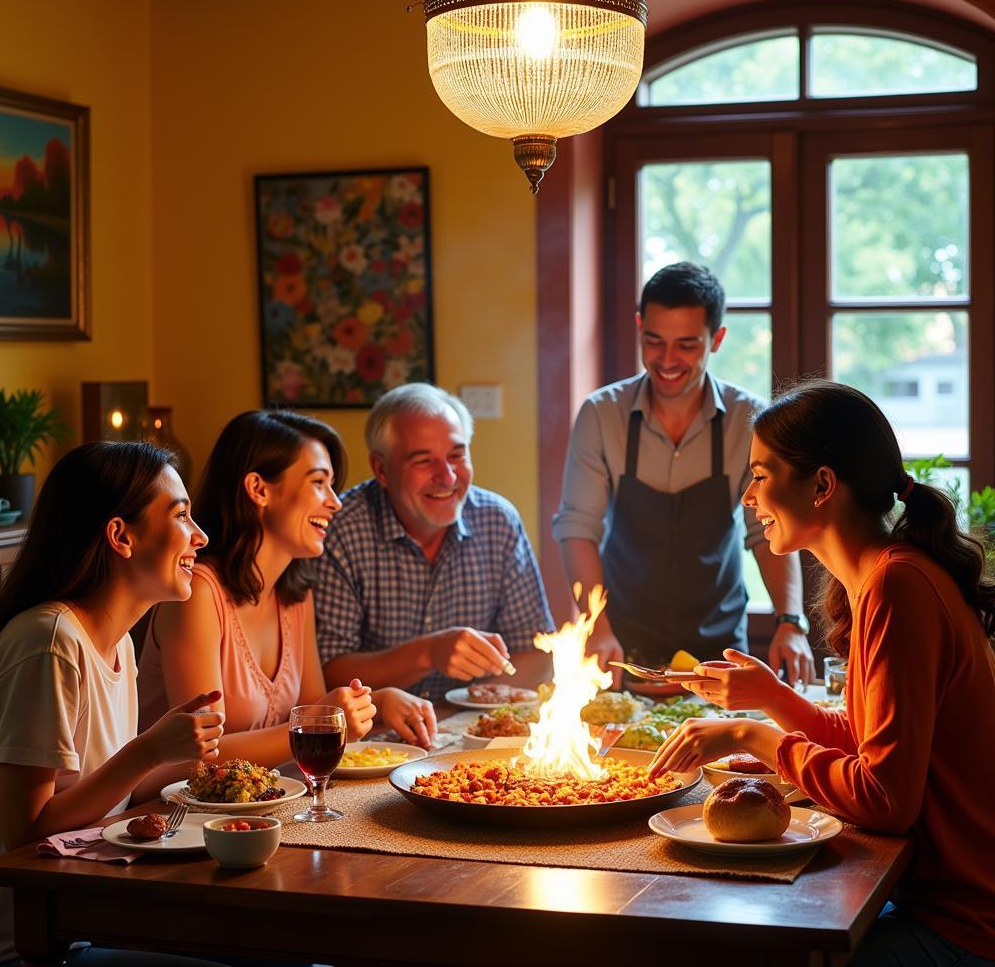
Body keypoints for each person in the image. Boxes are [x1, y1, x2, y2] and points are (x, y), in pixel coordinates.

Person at [649, 380, 995, 965]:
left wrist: (755, 735)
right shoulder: (879, 578)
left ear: (822, 485)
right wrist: (773, 697)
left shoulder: (896, 587)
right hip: (928, 897)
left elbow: (886, 799)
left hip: (961, 923)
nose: (748, 498)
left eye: (761, 476)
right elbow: (872, 747)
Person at [0, 443, 225, 967]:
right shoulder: (49, 643)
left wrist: (190, 762)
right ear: (120, 536)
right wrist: (149, 751)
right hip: (24, 941)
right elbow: (26, 834)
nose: (200, 536)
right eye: (180, 515)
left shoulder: (116, 643)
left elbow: (105, 791)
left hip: (90, 907)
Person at [553, 261, 813, 687]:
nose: (667, 361)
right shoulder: (602, 414)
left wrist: (789, 621)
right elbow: (578, 529)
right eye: (654, 341)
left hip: (720, 648)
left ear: (718, 340)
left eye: (687, 346)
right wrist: (596, 627)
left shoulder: (749, 419)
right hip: (622, 644)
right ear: (639, 327)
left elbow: (767, 528)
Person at [139, 409, 432, 760]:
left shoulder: (294, 595)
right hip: (169, 810)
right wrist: (320, 724)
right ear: (259, 489)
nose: (335, 502)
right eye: (318, 483)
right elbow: (200, 754)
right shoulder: (198, 594)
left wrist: (377, 703)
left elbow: (314, 718)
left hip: (261, 803)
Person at [313, 383, 555, 710]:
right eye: (423, 461)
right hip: (373, 741)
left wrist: (464, 715)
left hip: (468, 731)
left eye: (457, 455)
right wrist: (428, 653)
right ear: (381, 469)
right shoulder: (341, 528)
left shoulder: (498, 521)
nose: (448, 477)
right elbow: (328, 674)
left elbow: (537, 655)